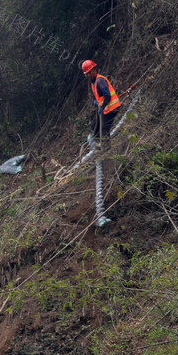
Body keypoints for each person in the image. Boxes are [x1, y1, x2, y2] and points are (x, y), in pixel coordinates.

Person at [81, 59, 122, 229]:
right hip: (105, 109)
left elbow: (107, 96)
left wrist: (102, 106)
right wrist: (97, 104)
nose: (89, 75)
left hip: (111, 109)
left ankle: (107, 153)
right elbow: (99, 97)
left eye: (90, 71)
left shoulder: (100, 80)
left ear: (94, 70)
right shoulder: (93, 82)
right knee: (94, 129)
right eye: (87, 73)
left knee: (104, 132)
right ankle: (97, 146)